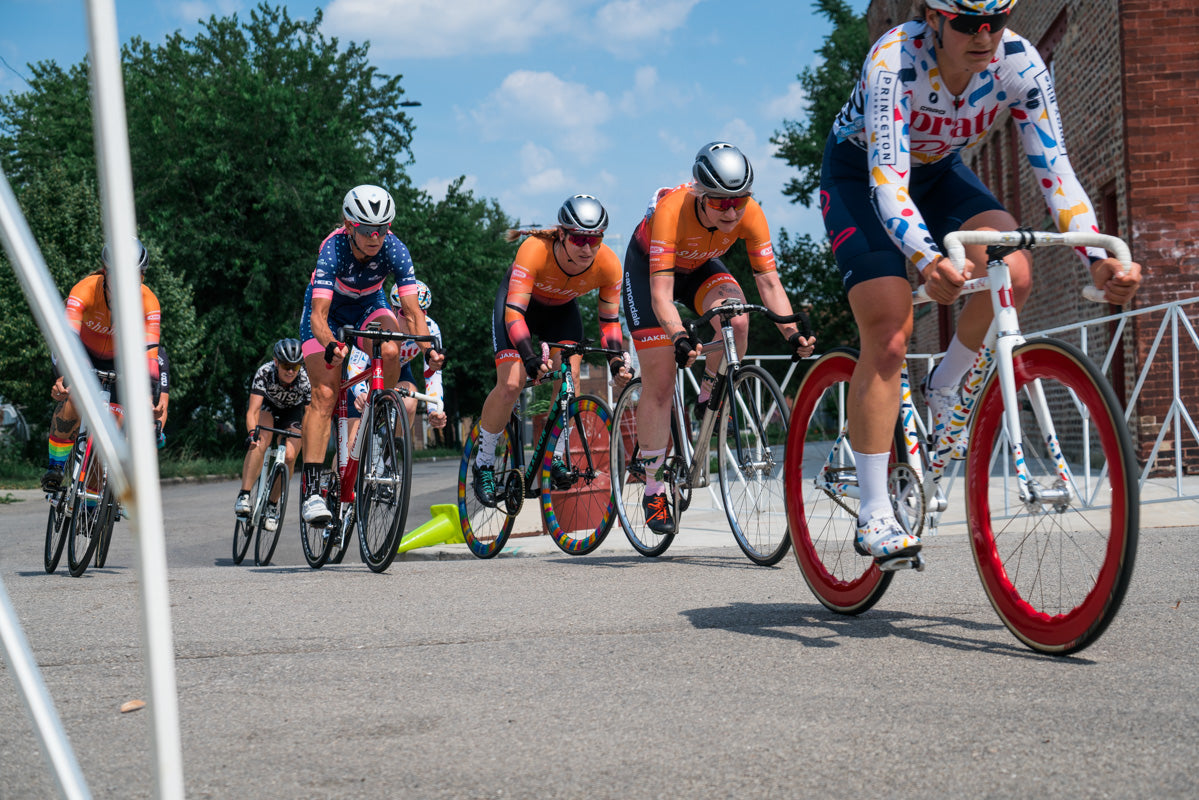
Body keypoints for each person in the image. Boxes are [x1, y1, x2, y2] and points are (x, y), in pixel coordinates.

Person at [819, 0, 1142, 561]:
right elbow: (889, 183)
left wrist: (1099, 259)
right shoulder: (895, 60)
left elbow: (1055, 171)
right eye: (969, 23)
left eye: (999, 20)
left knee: (1013, 272)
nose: (985, 34)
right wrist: (926, 260)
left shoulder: (1020, 63)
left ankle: (947, 384)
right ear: (934, 19)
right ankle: (874, 512)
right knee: (891, 329)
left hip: (941, 174)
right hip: (863, 176)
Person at [623, 142, 815, 534]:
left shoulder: (750, 213)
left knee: (739, 320)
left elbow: (768, 281)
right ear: (699, 193)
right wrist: (678, 336)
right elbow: (661, 295)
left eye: (738, 201)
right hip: (650, 273)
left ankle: (710, 390)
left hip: (698, 267)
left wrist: (792, 332)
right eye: (720, 202)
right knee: (660, 382)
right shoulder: (671, 211)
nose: (731, 211)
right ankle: (655, 488)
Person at [471, 194, 633, 506]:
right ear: (561, 234)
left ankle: (555, 456)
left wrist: (615, 363)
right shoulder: (534, 249)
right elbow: (514, 313)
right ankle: (484, 464)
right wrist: (529, 357)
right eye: (578, 239)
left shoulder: (609, 263)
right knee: (511, 383)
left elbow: (610, 322)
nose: (587, 248)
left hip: (561, 313)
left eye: (594, 239)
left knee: (570, 380)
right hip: (520, 310)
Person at [298, 184, 445, 526]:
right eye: (367, 230)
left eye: (382, 229)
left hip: (368, 305)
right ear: (350, 226)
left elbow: (412, 312)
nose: (375, 237)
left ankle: (380, 407)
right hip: (329, 312)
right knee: (323, 393)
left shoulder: (395, 249)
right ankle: (313, 492)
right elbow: (319, 315)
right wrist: (333, 345)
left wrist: (429, 350)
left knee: (391, 347)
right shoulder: (332, 250)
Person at [42, 238, 162, 492]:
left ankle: (90, 502)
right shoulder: (85, 289)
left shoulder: (149, 302)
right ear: (106, 272)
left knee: (108, 432)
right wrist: (65, 377)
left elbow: (150, 353)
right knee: (75, 398)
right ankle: (55, 467)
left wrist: (150, 393)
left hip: (120, 361)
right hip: (79, 350)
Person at [234, 338, 310, 528]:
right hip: (268, 408)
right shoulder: (265, 373)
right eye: (286, 365)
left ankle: (272, 505)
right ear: (276, 362)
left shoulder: (304, 381)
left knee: (290, 456)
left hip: (292, 412)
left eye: (296, 366)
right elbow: (253, 411)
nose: (291, 371)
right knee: (261, 440)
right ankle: (244, 495)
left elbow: (309, 416)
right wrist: (252, 433)